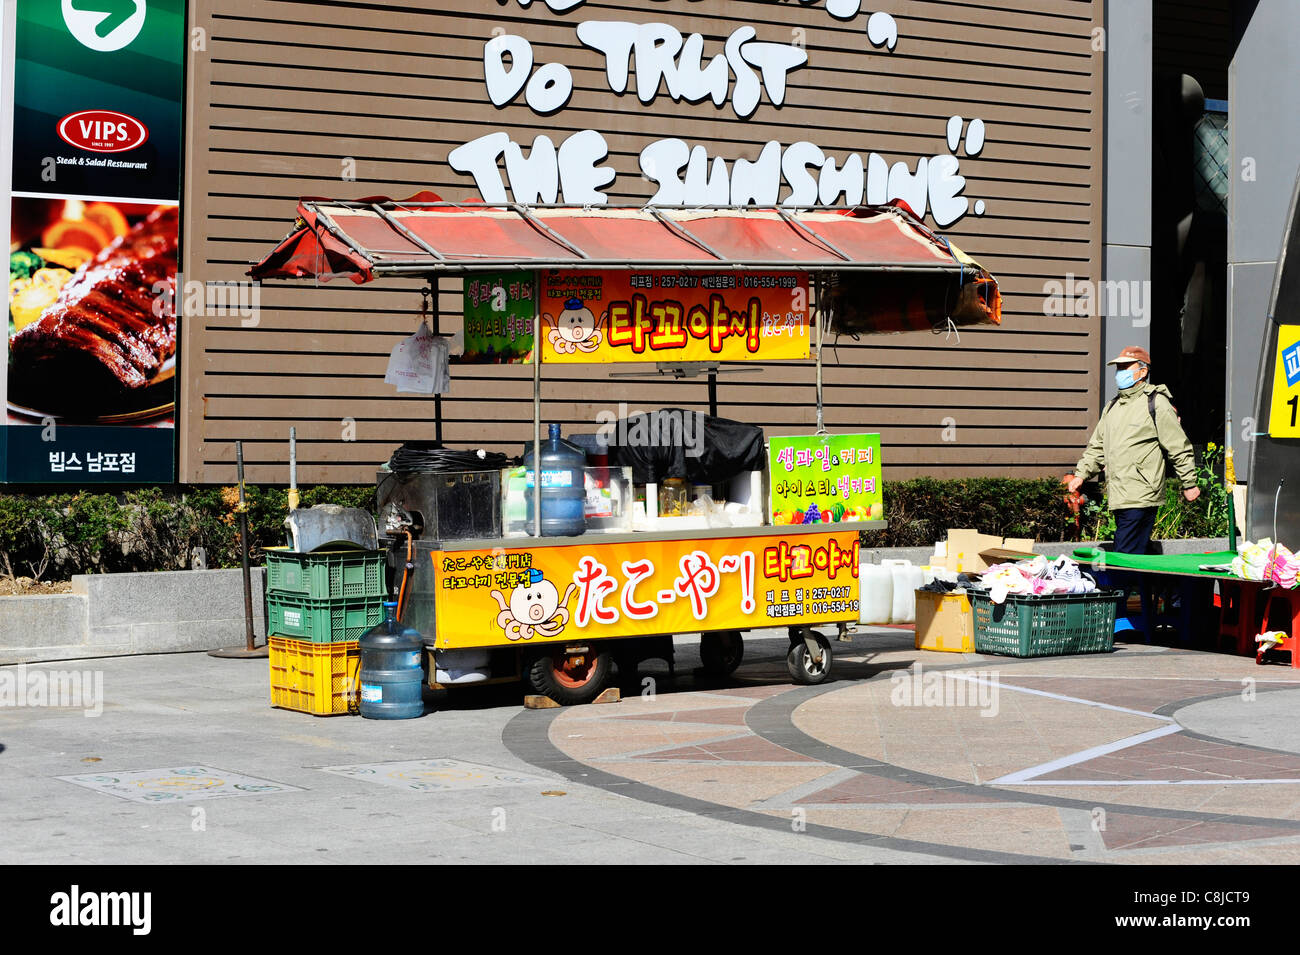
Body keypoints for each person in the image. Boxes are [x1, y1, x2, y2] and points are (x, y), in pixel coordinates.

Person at [1066, 346, 1200, 555]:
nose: (1120, 372)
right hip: (1120, 494)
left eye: (1126, 367)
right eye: (1118, 368)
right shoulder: (1112, 406)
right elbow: (1097, 447)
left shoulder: (1156, 402)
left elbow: (1177, 445)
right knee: (1137, 554)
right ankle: (1147, 588)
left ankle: (1125, 587)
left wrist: (1189, 482)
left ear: (1143, 371)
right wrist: (1081, 474)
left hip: (1142, 493)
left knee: (1124, 554)